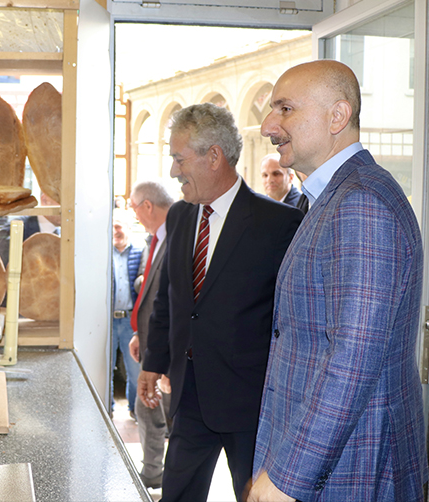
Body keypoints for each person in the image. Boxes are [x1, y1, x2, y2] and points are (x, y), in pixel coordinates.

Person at [247, 60, 426, 502]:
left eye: (285, 109)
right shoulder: (336, 195)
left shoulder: (360, 203)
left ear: (337, 116)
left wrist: (287, 479)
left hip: (353, 464)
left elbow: (353, 358)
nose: (269, 125)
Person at [137, 102, 302, 502]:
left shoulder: (278, 224)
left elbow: (294, 320)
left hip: (252, 404)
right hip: (188, 396)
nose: (174, 170)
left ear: (213, 156)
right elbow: (169, 299)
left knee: (255, 497)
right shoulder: (178, 216)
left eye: (179, 158)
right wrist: (153, 363)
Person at [127, 179, 174, 490]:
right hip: (152, 347)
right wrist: (139, 333)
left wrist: (166, 363)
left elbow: (174, 301)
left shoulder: (178, 237)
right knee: (147, 409)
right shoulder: (153, 239)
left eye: (135, 209)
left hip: (170, 356)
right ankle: (152, 472)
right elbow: (151, 294)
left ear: (148, 205)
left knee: (173, 421)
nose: (135, 217)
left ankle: (174, 482)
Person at [112, 210, 144, 417]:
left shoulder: (140, 251)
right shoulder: (104, 252)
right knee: (104, 369)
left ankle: (135, 411)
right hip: (107, 321)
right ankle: (107, 410)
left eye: (119, 226)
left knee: (134, 370)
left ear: (128, 228)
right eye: (112, 227)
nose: (115, 231)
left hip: (131, 320)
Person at [0, 192, 61, 267]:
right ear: (45, 200)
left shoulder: (65, 236)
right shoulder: (13, 232)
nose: (69, 207)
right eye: (62, 201)